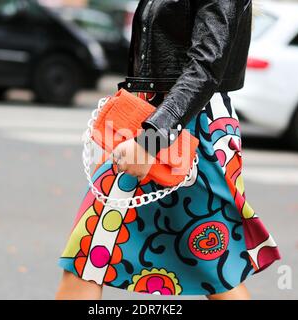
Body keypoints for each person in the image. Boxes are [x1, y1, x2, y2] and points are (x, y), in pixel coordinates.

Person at [56, 0, 281, 300]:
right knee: (213, 268)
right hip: (159, 121)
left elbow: (207, 65)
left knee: (90, 253)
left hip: (186, 125)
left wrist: (151, 141)